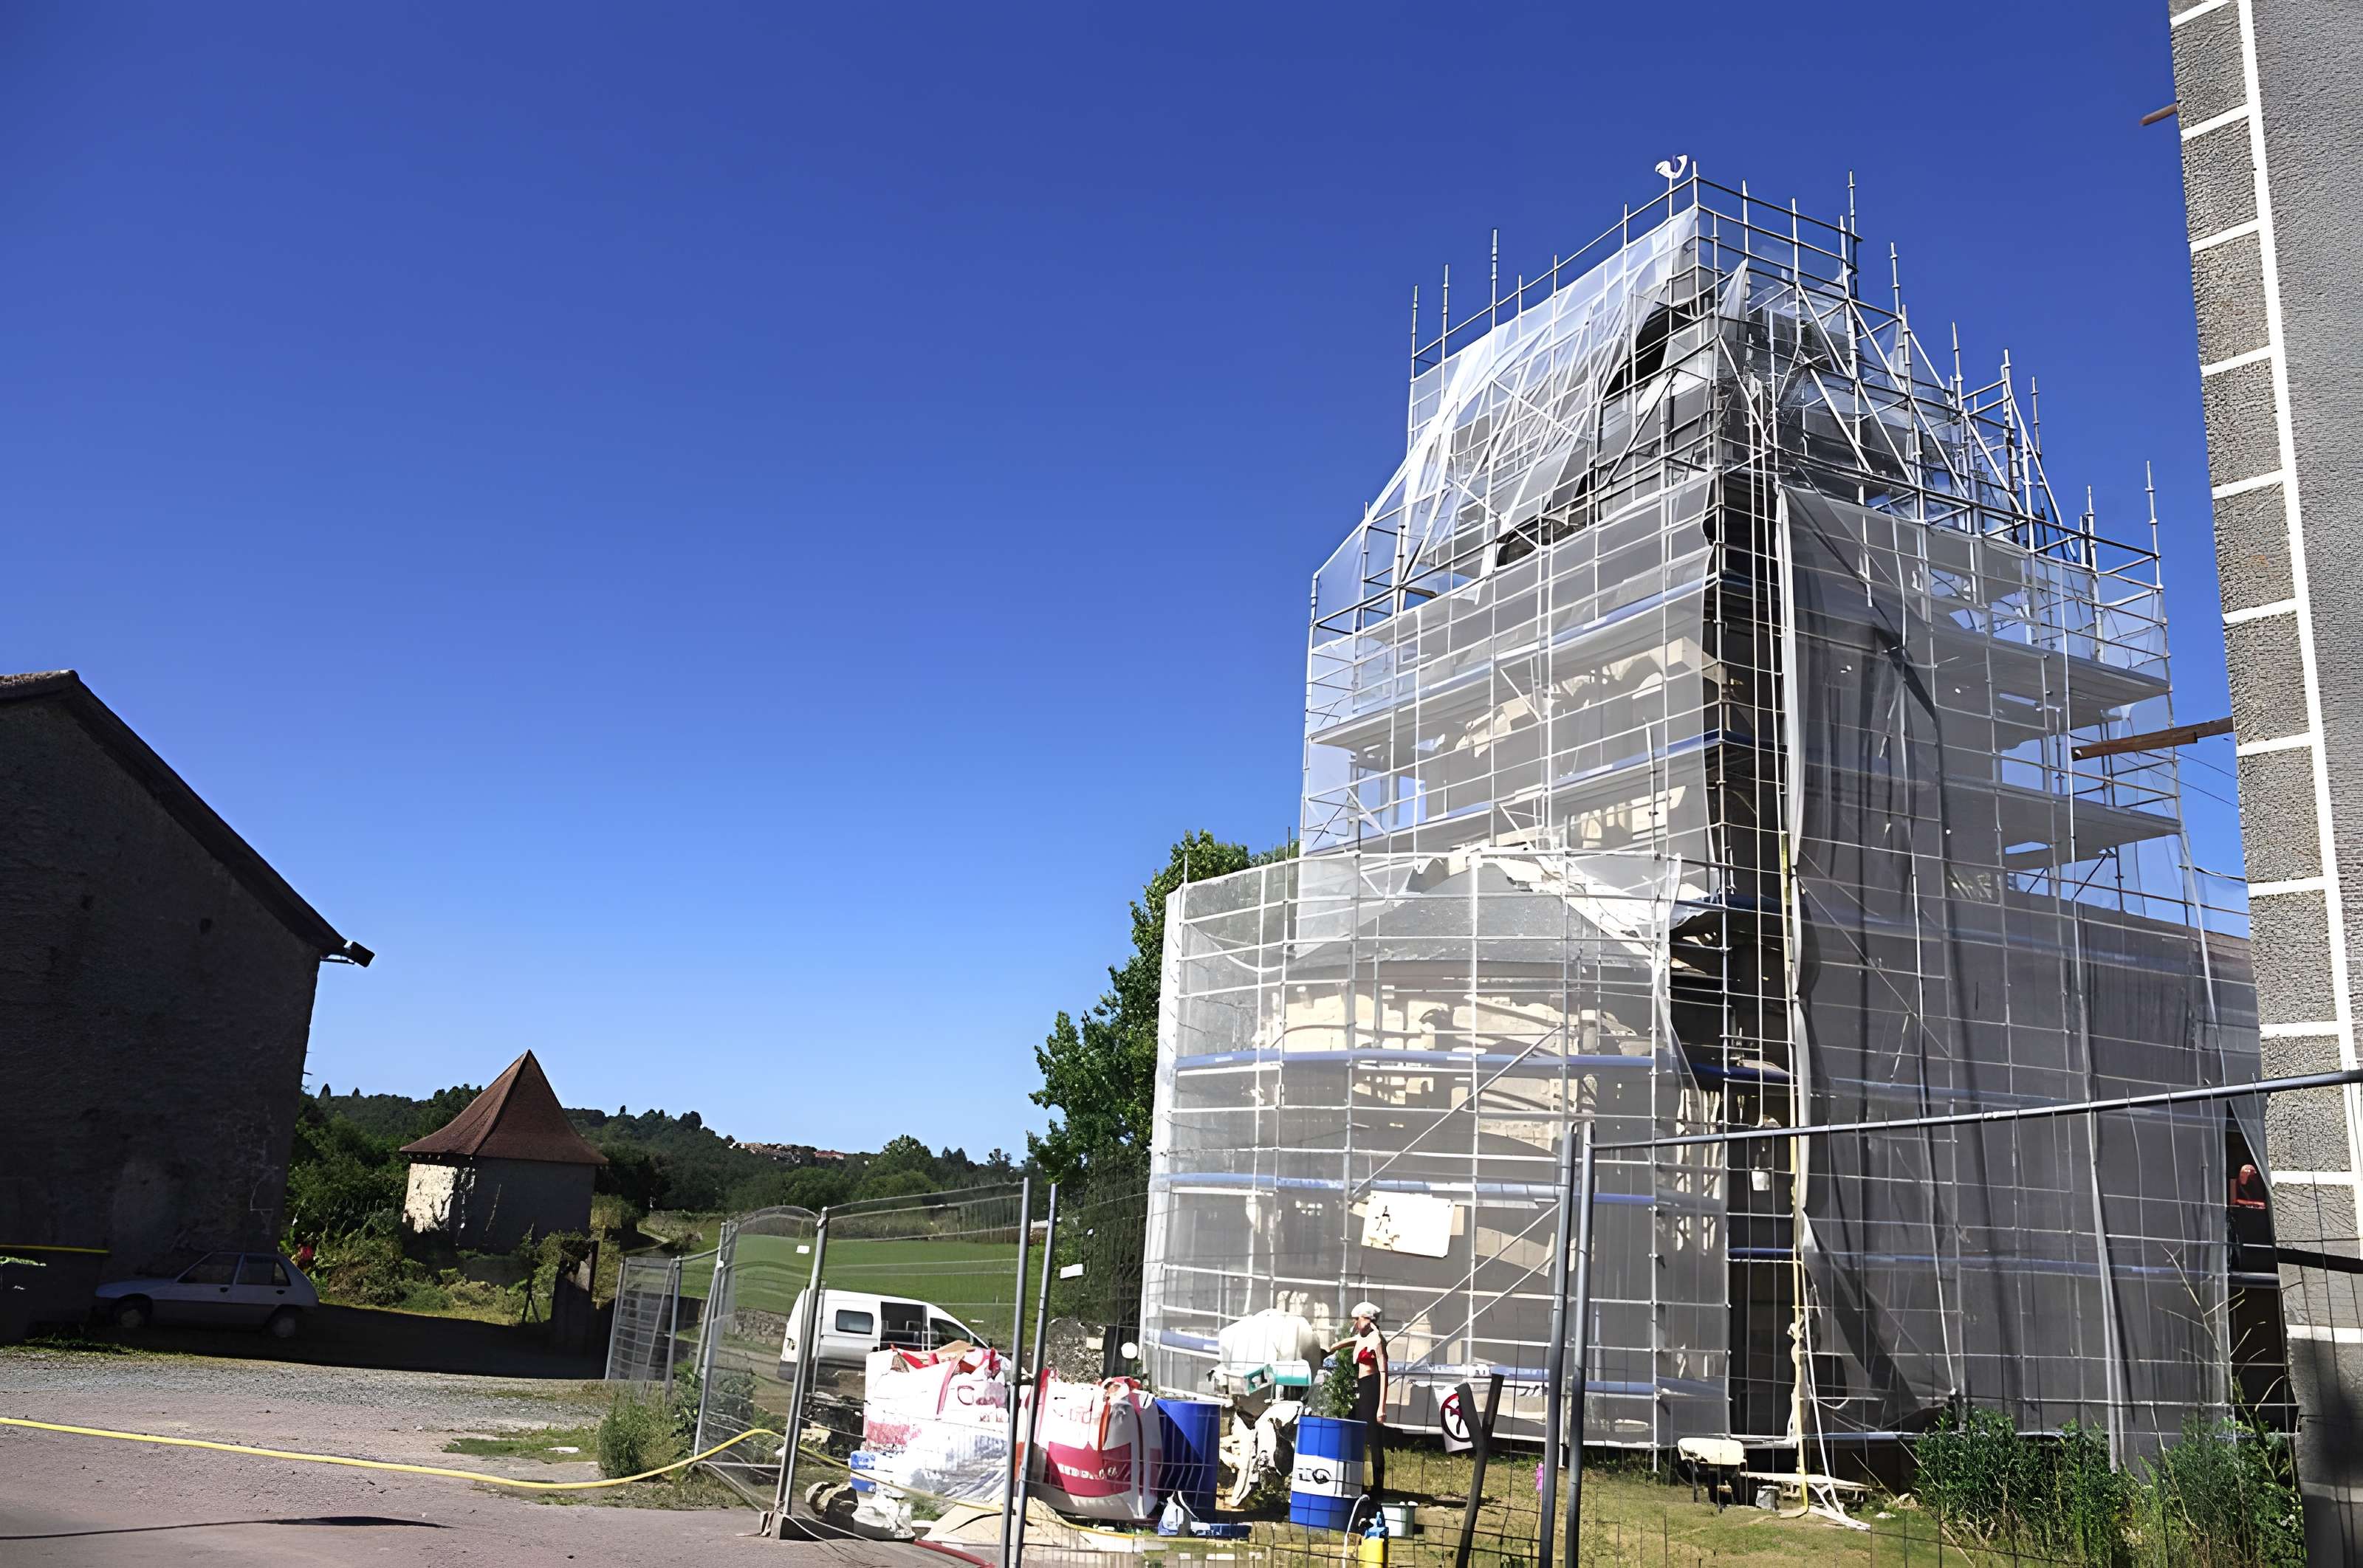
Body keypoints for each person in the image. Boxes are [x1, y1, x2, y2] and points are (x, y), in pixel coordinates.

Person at [1328, 1301, 1388, 1496]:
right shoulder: (1362, 1337)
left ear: (1367, 1319)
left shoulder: (1377, 1340)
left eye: (1357, 1319)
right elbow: (1349, 1341)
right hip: (1363, 1386)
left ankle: (1378, 1485)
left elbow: (1384, 1372)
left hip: (1373, 1385)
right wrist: (1335, 1347)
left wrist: (1381, 1407)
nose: (1355, 1324)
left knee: (1373, 1436)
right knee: (1358, 1432)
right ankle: (1358, 1480)